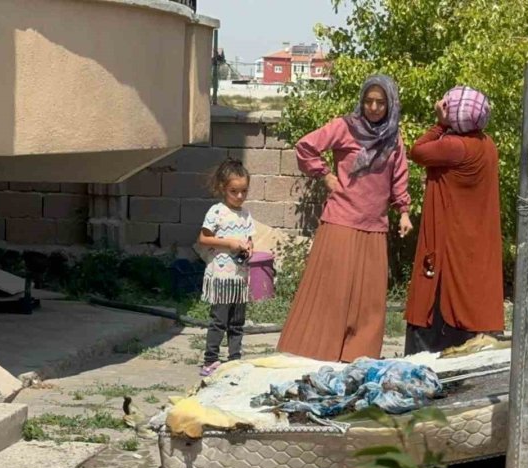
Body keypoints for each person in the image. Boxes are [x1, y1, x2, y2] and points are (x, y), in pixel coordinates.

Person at [276, 74, 413, 362]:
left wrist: (403, 211)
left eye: (380, 102)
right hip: (341, 219)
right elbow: (306, 146)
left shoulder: (393, 137)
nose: (374, 107)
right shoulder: (344, 127)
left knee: (368, 300)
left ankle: (357, 355)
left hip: (374, 225)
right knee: (332, 291)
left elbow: (398, 177)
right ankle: (317, 350)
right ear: (361, 101)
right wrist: (324, 174)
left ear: (390, 105)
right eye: (368, 101)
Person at [404, 86, 504, 355]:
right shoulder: (487, 144)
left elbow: (417, 151)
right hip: (471, 238)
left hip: (449, 237)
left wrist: (439, 123)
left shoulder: (454, 146)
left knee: (437, 294)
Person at [195, 159, 255, 377]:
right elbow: (203, 238)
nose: (239, 196)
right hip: (221, 277)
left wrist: (248, 247)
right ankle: (210, 360)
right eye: (234, 191)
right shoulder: (216, 212)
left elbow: (249, 240)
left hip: (239, 278)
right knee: (219, 321)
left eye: (243, 191)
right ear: (223, 188)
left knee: (237, 322)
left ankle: (235, 359)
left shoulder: (246, 215)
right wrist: (229, 243)